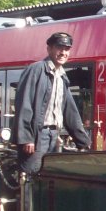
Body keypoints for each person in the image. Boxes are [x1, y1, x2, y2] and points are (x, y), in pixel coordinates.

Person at [13, 31, 90, 174]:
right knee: (31, 177)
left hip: (54, 136)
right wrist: (26, 138)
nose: (63, 52)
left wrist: (83, 142)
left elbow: (70, 112)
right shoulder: (36, 69)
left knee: (47, 178)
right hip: (37, 137)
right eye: (59, 48)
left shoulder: (62, 76)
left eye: (67, 49)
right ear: (49, 49)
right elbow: (24, 103)